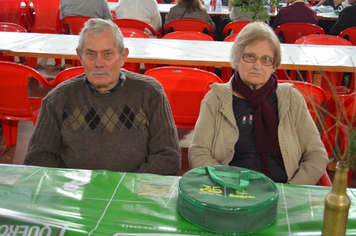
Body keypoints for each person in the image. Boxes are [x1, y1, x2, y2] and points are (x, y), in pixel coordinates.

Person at [24, 18, 181, 175]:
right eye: (91, 54)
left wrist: (125, 187)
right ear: (80, 56)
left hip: (131, 194)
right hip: (75, 195)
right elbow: (37, 159)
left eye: (107, 54)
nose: (99, 63)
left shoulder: (150, 93)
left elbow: (168, 157)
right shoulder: (58, 99)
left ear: (123, 56)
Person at [188, 22, 328, 185]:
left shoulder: (291, 98)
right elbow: (198, 153)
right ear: (237, 58)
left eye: (266, 59)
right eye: (250, 56)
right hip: (231, 189)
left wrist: (291, 190)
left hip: (284, 189)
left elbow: (316, 155)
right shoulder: (216, 99)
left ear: (274, 65)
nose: (257, 66)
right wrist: (226, 184)